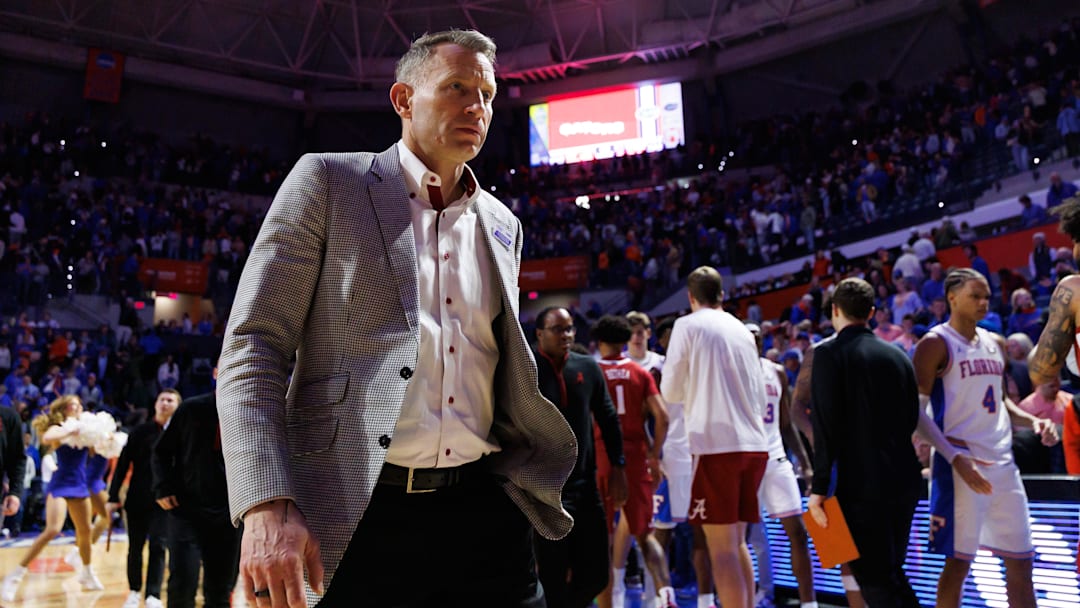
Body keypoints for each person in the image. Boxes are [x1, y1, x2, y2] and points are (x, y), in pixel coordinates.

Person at [216, 29, 577, 608]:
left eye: (486, 93)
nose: (476, 107)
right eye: (457, 87)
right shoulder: (330, 182)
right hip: (357, 510)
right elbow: (253, 347)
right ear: (403, 100)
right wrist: (265, 503)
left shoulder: (504, 223)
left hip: (485, 510)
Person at [914, 268, 1058, 608]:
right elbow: (915, 414)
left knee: (1022, 562)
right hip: (960, 465)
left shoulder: (995, 343)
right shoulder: (935, 343)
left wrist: (1035, 421)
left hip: (1003, 466)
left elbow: (1001, 402)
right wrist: (953, 457)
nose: (982, 303)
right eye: (974, 296)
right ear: (952, 298)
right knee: (958, 565)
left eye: (986, 297)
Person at [807, 278, 922, 607]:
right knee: (891, 573)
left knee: (875, 580)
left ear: (834, 311)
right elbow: (911, 418)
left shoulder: (827, 353)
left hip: (861, 484)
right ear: (871, 312)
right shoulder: (898, 354)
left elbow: (824, 425)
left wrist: (818, 490)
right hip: (904, 478)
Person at [661, 266, 769, 608]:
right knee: (737, 543)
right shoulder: (742, 329)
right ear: (722, 294)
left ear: (691, 298)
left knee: (720, 548)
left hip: (715, 447)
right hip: (754, 445)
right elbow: (760, 395)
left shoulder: (687, 325)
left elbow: (671, 390)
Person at [532, 306, 626, 608]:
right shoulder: (526, 368)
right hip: (544, 492)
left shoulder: (587, 366)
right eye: (558, 329)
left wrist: (619, 467)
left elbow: (608, 418)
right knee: (552, 575)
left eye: (570, 328)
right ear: (539, 334)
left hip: (586, 488)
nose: (567, 335)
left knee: (598, 575)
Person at [592, 315, 674, 608]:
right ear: (626, 339)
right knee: (646, 535)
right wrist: (654, 454)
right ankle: (666, 595)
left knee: (603, 542)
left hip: (602, 457)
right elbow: (662, 416)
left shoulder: (593, 371)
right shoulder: (641, 373)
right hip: (636, 456)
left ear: (599, 341)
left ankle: (610, 603)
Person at [1, 395, 102, 602]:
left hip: (80, 483)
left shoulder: (85, 428)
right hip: (61, 483)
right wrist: (70, 429)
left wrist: (104, 438)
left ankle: (87, 572)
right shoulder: (59, 428)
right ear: (64, 409)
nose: (79, 408)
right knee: (53, 529)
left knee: (86, 531)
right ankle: (15, 575)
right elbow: (48, 437)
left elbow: (96, 449)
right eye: (74, 405)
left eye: (80, 405)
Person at [745, 323, 816, 608]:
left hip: (776, 459)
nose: (755, 342)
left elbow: (786, 423)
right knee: (745, 538)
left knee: (798, 531)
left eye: (758, 338)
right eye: (749, 338)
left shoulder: (774, 371)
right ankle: (749, 596)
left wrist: (806, 463)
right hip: (745, 461)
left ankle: (809, 602)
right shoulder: (728, 372)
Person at [152, 381, 241, 608]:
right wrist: (163, 487)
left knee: (221, 590)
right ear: (215, 373)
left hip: (229, 513)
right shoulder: (190, 408)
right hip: (187, 509)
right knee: (182, 582)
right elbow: (161, 452)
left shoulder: (250, 409)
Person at [625, 311, 693, 602]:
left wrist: (660, 454)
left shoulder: (661, 365)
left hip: (662, 458)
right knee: (627, 531)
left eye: (643, 330)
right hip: (628, 459)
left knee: (660, 529)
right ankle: (626, 583)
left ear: (650, 334)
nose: (639, 335)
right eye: (634, 330)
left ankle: (656, 595)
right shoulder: (618, 364)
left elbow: (671, 415)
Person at [109, 389, 180, 608]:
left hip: (166, 501)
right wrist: (113, 496)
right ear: (155, 404)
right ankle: (133, 591)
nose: (165, 403)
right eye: (162, 399)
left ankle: (153, 594)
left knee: (159, 546)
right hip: (137, 499)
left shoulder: (181, 432)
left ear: (178, 406)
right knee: (135, 547)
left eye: (170, 400)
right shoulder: (140, 431)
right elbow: (122, 466)